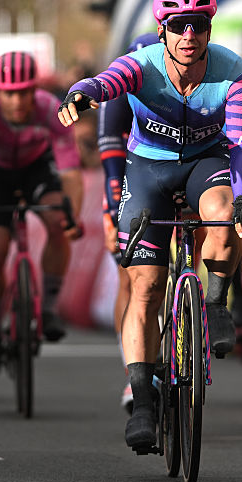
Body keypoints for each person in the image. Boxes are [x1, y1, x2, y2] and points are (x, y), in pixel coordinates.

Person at [58, 0, 242, 451]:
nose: (189, 36)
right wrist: (82, 93)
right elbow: (106, 82)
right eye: (178, 26)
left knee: (224, 214)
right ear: (163, 30)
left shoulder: (237, 73)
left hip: (206, 161)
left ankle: (214, 301)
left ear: (209, 29)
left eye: (198, 26)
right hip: (147, 168)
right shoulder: (142, 64)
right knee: (145, 285)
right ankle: (144, 402)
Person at [0, 51, 83, 376]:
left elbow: (71, 171)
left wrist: (72, 216)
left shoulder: (48, 108)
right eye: (8, 93)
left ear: (35, 91)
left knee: (59, 221)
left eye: (24, 92)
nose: (17, 101)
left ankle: (49, 307)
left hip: (35, 169)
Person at [96, 32, 160, 412]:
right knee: (129, 271)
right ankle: (132, 373)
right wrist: (111, 214)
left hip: (176, 174)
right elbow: (112, 165)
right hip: (133, 178)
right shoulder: (119, 95)